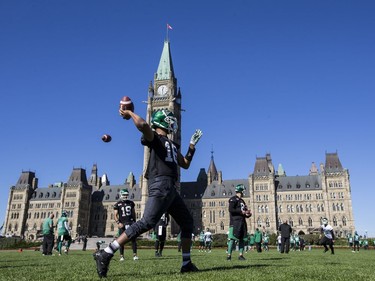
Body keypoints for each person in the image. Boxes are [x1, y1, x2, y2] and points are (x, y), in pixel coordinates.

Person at [93, 108, 203, 278]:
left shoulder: (171, 144)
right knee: (146, 222)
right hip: (160, 184)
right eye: (169, 119)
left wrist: (191, 146)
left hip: (170, 188)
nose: (172, 122)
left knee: (187, 222)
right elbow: (143, 124)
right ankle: (106, 253)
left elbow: (185, 163)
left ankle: (186, 264)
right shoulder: (155, 138)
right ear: (163, 122)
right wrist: (129, 113)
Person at [226, 184, 251, 261]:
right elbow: (231, 210)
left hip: (242, 222)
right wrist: (241, 212)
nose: (244, 193)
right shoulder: (233, 199)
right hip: (235, 222)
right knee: (232, 239)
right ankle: (229, 255)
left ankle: (241, 255)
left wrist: (248, 214)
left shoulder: (242, 201)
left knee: (242, 239)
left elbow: (244, 212)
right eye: (243, 191)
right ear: (240, 191)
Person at [113, 188, 138, 261]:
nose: (125, 196)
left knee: (133, 240)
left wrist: (134, 222)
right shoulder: (117, 204)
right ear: (121, 195)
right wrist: (118, 223)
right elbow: (115, 215)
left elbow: (133, 213)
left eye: (126, 195)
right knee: (121, 241)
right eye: (124, 195)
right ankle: (121, 256)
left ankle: (135, 255)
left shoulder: (131, 203)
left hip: (130, 223)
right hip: (122, 224)